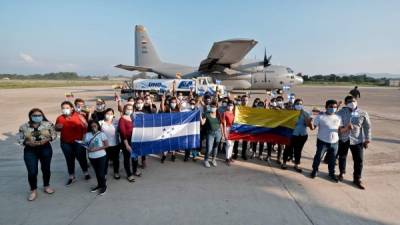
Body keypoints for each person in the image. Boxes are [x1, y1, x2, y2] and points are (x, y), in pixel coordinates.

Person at [18, 108, 57, 201]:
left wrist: (47, 139)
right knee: (32, 171)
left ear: (42, 115)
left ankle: (46, 186)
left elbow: (54, 134)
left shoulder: (48, 124)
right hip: (30, 150)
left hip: (45, 148)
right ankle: (33, 190)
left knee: (46, 169)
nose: (37, 117)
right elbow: (20, 139)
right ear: (30, 116)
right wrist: (28, 143)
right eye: (35, 115)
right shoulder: (24, 127)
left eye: (39, 115)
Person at [310, 100, 351, 182]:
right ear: (326, 107)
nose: (333, 108)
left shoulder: (338, 117)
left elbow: (339, 130)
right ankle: (315, 170)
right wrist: (309, 122)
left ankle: (331, 173)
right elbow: (313, 128)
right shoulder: (320, 117)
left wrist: (347, 128)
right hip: (322, 141)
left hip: (335, 142)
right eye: (331, 107)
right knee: (318, 157)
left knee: (332, 159)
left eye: (335, 107)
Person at [336, 96, 371, 189]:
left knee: (359, 160)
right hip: (344, 139)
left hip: (357, 140)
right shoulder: (341, 112)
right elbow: (336, 123)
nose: (352, 102)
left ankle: (357, 178)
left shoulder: (363, 113)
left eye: (354, 101)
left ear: (357, 101)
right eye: (349, 101)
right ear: (346, 103)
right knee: (342, 157)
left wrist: (367, 139)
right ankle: (341, 173)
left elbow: (367, 127)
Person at [55, 101, 90, 185]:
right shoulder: (60, 118)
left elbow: (86, 128)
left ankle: (85, 172)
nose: (65, 110)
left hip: (78, 142)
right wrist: (57, 127)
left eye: (67, 108)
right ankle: (71, 176)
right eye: (63, 108)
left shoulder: (79, 116)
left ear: (72, 108)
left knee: (81, 158)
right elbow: (57, 128)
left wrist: (85, 123)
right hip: (65, 143)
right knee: (69, 159)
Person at [281, 99, 312, 172]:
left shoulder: (305, 113)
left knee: (298, 151)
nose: (299, 105)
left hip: (302, 135)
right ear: (294, 104)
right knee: (288, 149)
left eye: (301, 104)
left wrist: (308, 119)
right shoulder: (290, 113)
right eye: (297, 103)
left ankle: (296, 164)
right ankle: (284, 163)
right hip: (292, 135)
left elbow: (308, 125)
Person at [83, 120, 109, 195]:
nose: (93, 128)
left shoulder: (101, 134)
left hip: (101, 156)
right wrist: (86, 146)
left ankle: (104, 186)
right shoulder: (87, 135)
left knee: (101, 172)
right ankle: (99, 185)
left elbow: (107, 145)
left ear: (98, 126)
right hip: (92, 157)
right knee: (97, 172)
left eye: (95, 126)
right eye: (92, 126)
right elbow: (85, 144)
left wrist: (96, 149)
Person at [119, 104, 140, 182]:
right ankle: (129, 174)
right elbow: (122, 133)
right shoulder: (122, 119)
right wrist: (127, 145)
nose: (129, 110)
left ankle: (135, 170)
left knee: (135, 157)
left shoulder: (133, 117)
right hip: (126, 141)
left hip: (135, 140)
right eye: (128, 109)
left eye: (131, 109)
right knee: (127, 158)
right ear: (125, 109)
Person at [99, 108, 121, 179]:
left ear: (113, 115)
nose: (109, 115)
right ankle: (104, 173)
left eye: (111, 114)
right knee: (105, 160)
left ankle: (116, 172)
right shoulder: (100, 123)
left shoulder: (117, 121)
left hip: (115, 144)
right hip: (105, 146)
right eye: (107, 114)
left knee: (116, 160)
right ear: (104, 114)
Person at [201, 101, 222, 168]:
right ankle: (206, 160)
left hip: (218, 133)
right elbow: (203, 123)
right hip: (210, 133)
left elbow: (220, 124)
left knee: (215, 147)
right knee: (209, 148)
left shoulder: (218, 114)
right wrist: (200, 118)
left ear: (217, 107)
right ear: (210, 107)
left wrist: (223, 134)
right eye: (212, 107)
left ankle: (213, 159)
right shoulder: (206, 114)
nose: (213, 108)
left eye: (214, 107)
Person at [160, 96, 180, 162]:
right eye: (172, 102)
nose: (173, 103)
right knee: (166, 142)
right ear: (170, 103)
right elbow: (163, 109)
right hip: (167, 128)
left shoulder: (178, 109)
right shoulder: (168, 108)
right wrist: (163, 100)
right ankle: (164, 155)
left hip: (175, 129)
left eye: (175, 102)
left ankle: (173, 155)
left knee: (173, 142)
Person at [232, 95, 249, 160]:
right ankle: (235, 154)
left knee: (245, 142)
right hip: (238, 127)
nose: (244, 101)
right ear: (241, 101)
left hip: (246, 127)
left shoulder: (250, 109)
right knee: (236, 141)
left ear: (248, 101)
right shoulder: (237, 108)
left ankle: (243, 154)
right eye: (243, 100)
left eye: (246, 100)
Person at [221, 100, 235, 166]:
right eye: (229, 105)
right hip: (227, 128)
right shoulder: (225, 113)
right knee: (228, 144)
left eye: (231, 105)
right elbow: (224, 124)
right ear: (227, 106)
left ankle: (230, 157)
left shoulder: (234, 113)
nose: (230, 106)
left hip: (233, 129)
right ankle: (227, 158)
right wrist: (224, 133)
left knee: (232, 144)